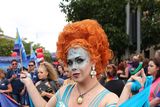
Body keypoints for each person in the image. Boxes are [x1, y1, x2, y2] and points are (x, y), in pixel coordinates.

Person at [20, 19, 146, 107]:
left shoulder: (108, 99)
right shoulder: (64, 91)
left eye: (79, 60)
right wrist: (29, 83)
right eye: (70, 62)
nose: (73, 67)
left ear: (94, 61)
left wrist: (128, 89)